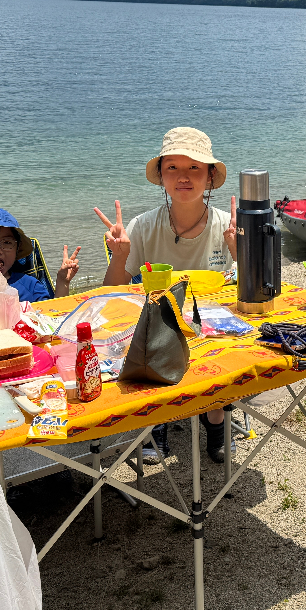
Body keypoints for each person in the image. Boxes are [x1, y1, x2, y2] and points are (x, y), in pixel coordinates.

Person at [94, 127, 238, 463]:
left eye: (194, 168)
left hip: (211, 326)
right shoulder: (143, 226)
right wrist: (119, 256)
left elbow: (253, 298)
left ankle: (216, 419)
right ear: (161, 175)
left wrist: (240, 251)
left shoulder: (228, 226)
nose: (183, 177)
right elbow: (111, 295)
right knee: (145, 331)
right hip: (157, 327)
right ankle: (157, 420)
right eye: (172, 167)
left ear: (210, 176)